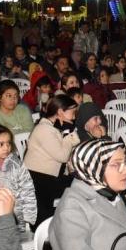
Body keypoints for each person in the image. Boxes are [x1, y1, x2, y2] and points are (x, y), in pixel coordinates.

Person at [22, 96, 80, 227]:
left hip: (50, 177)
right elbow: (63, 156)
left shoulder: (55, 127)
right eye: (72, 112)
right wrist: (68, 133)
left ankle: (71, 221)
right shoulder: (44, 129)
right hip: (38, 180)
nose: (74, 116)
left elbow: (73, 145)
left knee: (81, 183)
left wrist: (68, 132)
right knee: (79, 186)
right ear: (60, 112)